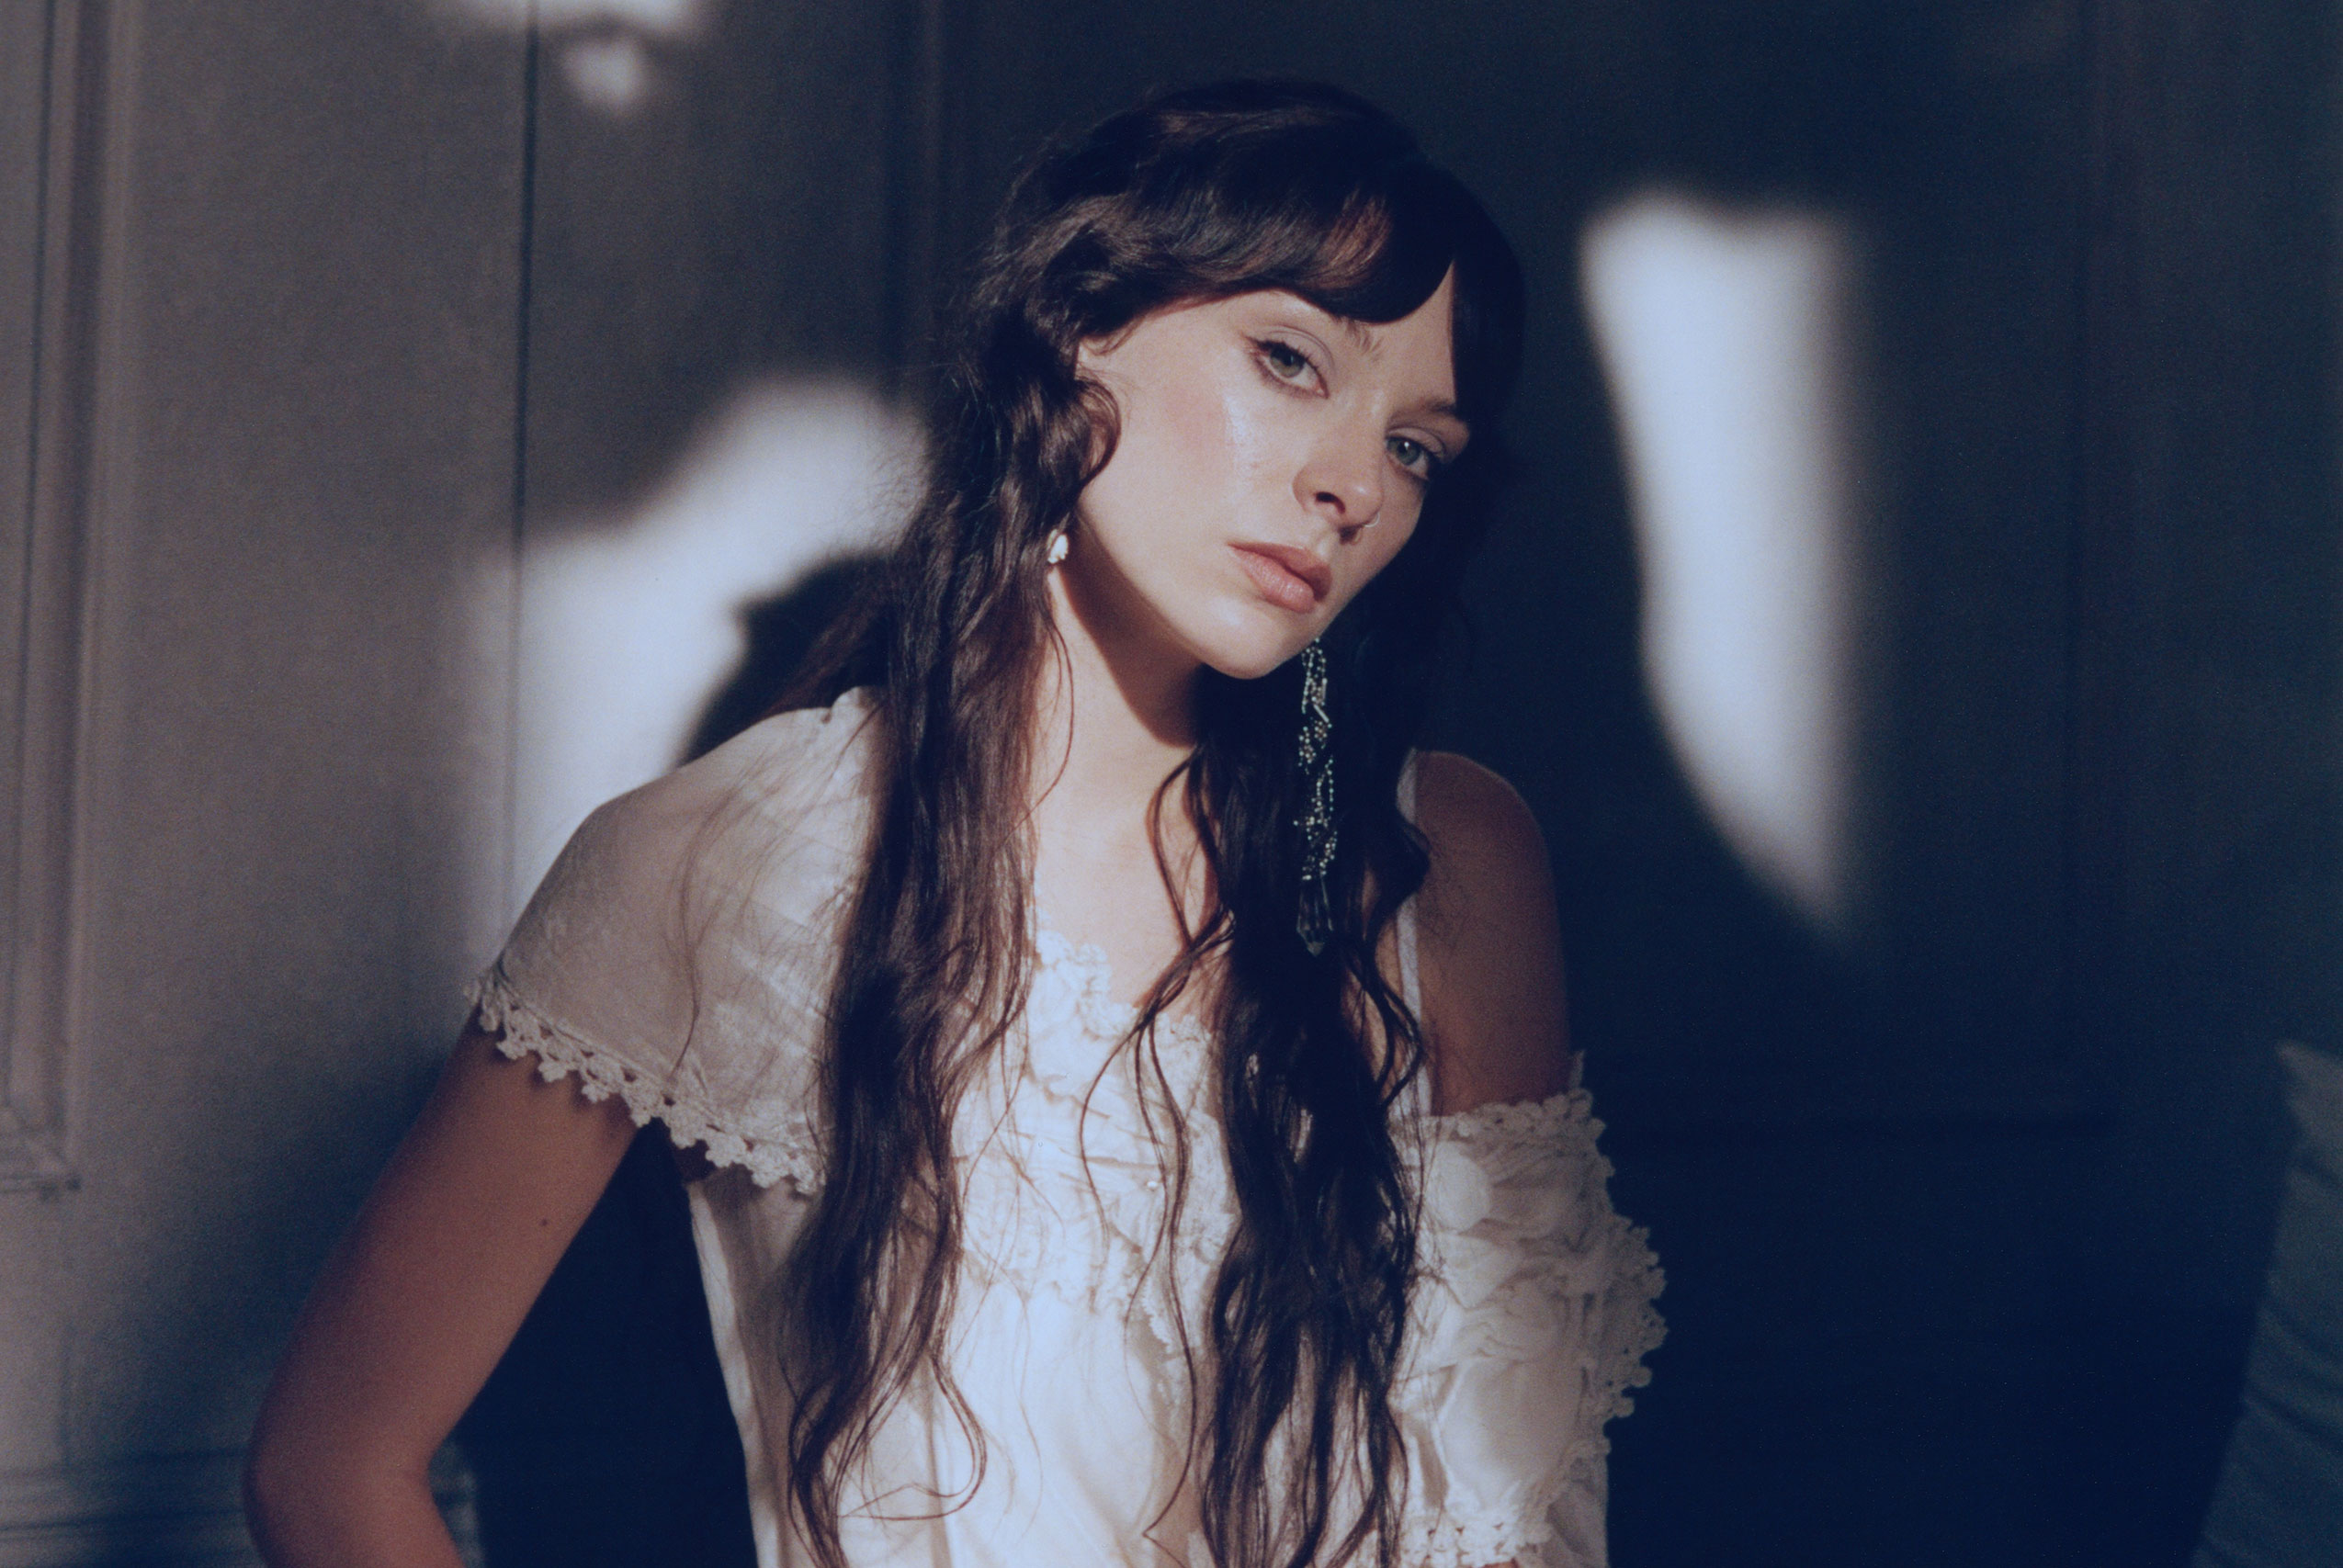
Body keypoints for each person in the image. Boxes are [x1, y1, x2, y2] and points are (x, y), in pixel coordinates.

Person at [243, 79, 1663, 1568]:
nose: (1352, 484)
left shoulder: (1437, 862)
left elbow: (1528, 1518)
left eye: (1417, 447)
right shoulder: (719, 862)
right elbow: (329, 1469)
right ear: (1083, 325)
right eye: (1290, 360)